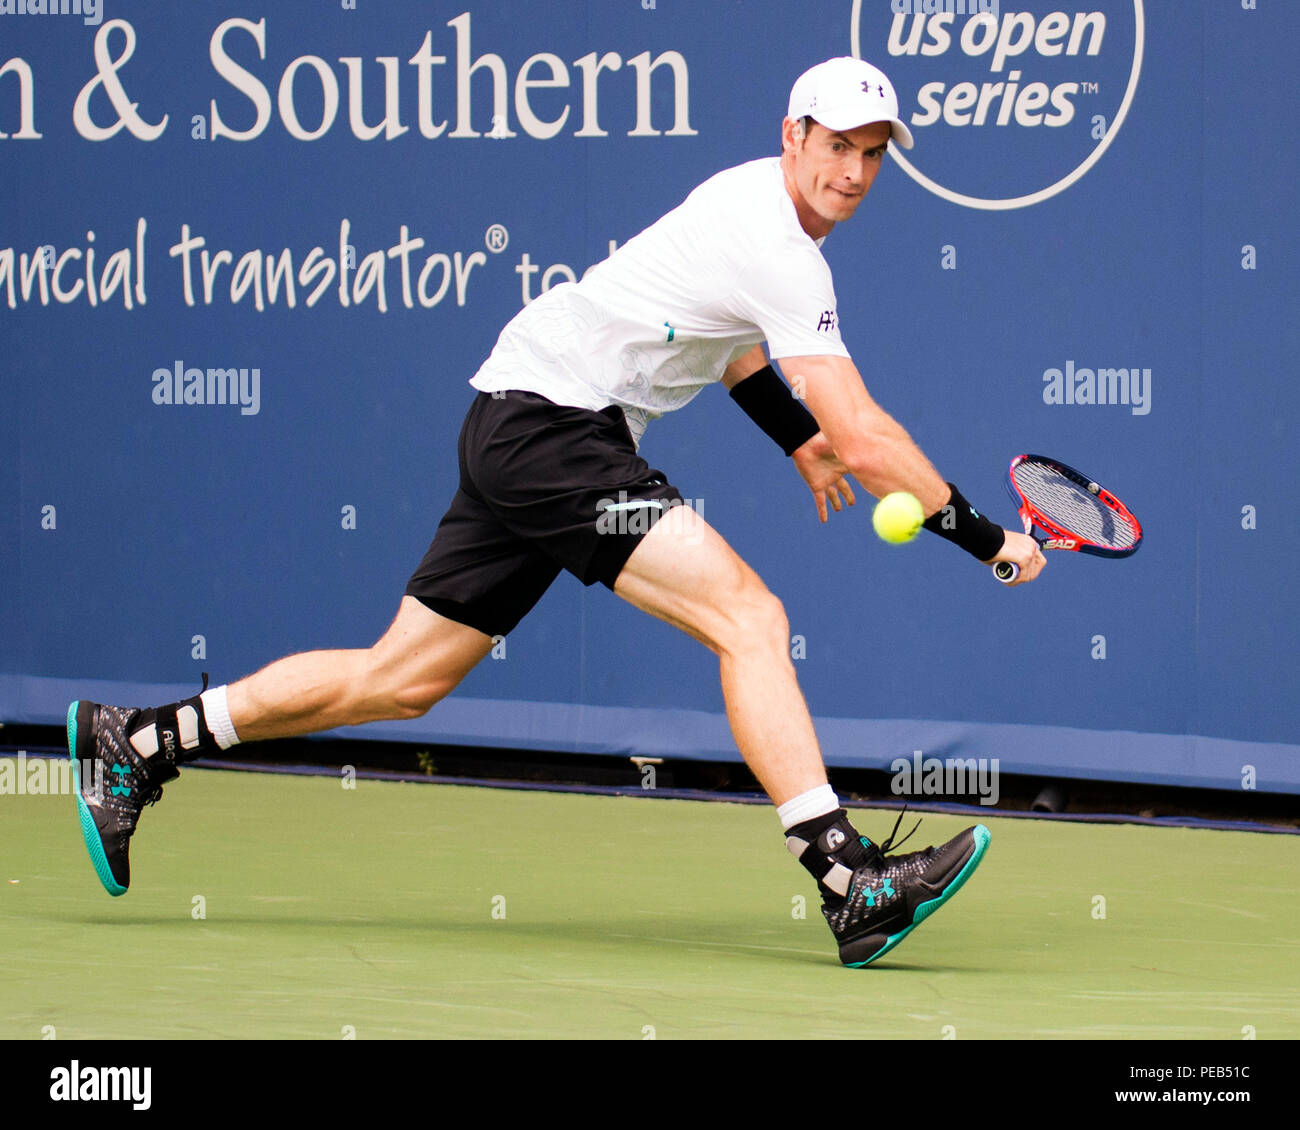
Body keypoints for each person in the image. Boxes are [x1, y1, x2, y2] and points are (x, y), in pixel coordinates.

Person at [68, 57, 1045, 968]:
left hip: (517, 423)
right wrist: (986, 540)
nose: (855, 170)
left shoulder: (750, 198)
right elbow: (866, 433)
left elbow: (735, 343)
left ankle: (140, 738)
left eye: (873, 152)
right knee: (749, 616)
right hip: (554, 438)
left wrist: (794, 438)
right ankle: (845, 876)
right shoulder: (783, 247)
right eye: (837, 144)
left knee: (400, 680)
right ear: (793, 134)